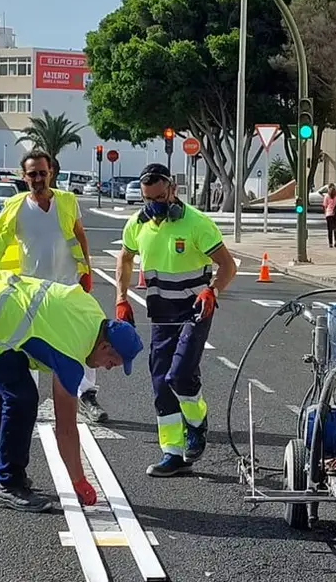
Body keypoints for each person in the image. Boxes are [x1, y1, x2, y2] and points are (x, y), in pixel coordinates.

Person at [0, 270, 144, 512]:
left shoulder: (94, 313)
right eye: (112, 363)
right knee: (22, 399)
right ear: (105, 346)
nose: (108, 368)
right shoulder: (71, 355)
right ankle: (10, 485)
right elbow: (65, 429)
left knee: (1, 393)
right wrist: (79, 481)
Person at [114, 163, 239, 477]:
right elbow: (125, 258)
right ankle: (172, 453)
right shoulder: (137, 225)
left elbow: (228, 266)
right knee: (160, 382)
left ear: (173, 189)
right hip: (160, 316)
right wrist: (121, 297)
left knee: (180, 376)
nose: (155, 205)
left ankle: (197, 424)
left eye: (159, 196)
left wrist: (213, 291)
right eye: (148, 199)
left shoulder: (197, 224)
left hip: (195, 312)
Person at [0, 151, 110, 422]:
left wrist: (86, 270)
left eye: (43, 172)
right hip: (31, 291)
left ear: (51, 172)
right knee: (26, 343)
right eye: (32, 174)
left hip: (67, 288)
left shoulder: (66, 201)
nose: (38, 178)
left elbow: (79, 235)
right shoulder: (15, 207)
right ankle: (25, 399)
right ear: (24, 176)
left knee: (81, 340)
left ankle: (87, 395)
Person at [322, 183, 336, 248]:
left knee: (329, 229)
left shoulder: (327, 196)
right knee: (335, 228)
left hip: (329, 214)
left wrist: (325, 213)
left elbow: (324, 205)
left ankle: (330, 243)